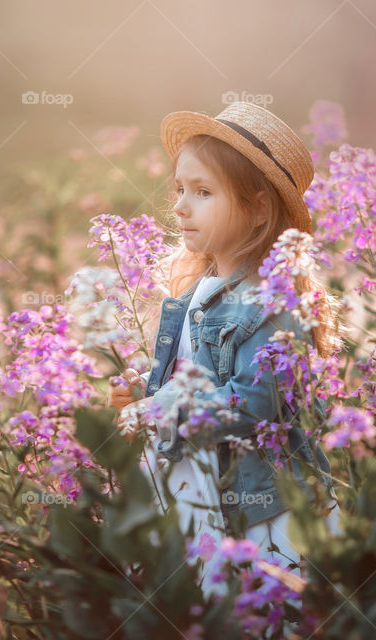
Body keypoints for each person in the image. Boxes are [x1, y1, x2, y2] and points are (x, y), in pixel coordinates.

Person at [108, 101, 342, 596]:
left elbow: (257, 401)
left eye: (203, 192)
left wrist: (161, 408)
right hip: (201, 480)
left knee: (255, 604)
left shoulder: (269, 303)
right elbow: (196, 372)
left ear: (257, 208)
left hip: (257, 502)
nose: (180, 207)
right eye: (180, 189)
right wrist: (141, 392)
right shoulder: (203, 290)